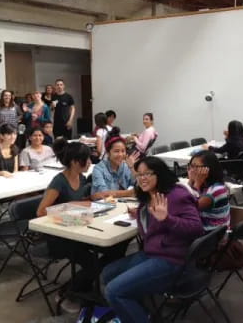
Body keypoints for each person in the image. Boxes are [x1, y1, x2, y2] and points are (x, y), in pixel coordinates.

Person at [101, 156, 204, 323]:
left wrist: (167, 219)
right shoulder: (149, 196)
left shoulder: (176, 194)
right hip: (154, 253)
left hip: (173, 261)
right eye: (139, 175)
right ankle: (141, 313)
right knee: (107, 274)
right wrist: (142, 213)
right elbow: (154, 220)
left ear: (160, 174)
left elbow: (196, 228)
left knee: (114, 291)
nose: (142, 178)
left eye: (147, 174)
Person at [36, 140, 95, 310]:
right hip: (57, 237)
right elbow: (41, 212)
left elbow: (81, 204)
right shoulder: (59, 181)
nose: (90, 162)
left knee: (106, 253)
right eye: (87, 159)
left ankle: (83, 288)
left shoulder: (82, 178)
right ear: (75, 162)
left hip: (76, 229)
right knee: (92, 262)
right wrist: (72, 207)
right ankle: (67, 292)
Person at [187, 150, 230, 231]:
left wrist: (196, 183)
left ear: (208, 169)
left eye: (195, 166)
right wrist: (191, 181)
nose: (191, 170)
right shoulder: (204, 185)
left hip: (212, 236)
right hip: (205, 231)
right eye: (191, 166)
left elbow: (190, 207)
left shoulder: (217, 189)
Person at [91, 128, 140, 199]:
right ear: (108, 153)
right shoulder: (99, 169)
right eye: (116, 151)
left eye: (123, 151)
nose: (120, 154)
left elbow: (140, 187)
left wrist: (132, 168)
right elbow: (103, 194)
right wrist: (129, 193)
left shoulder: (125, 166)